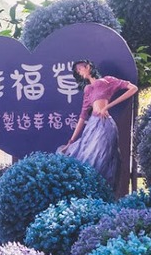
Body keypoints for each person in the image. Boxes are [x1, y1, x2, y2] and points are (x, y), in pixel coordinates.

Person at [59, 59, 138, 189]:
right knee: (88, 157)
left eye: (80, 68)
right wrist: (71, 140)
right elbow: (82, 116)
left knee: (103, 160)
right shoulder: (88, 89)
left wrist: (108, 106)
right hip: (91, 127)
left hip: (106, 125)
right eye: (77, 71)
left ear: (88, 67)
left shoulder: (107, 81)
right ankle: (90, 193)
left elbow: (133, 88)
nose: (79, 72)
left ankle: (104, 193)